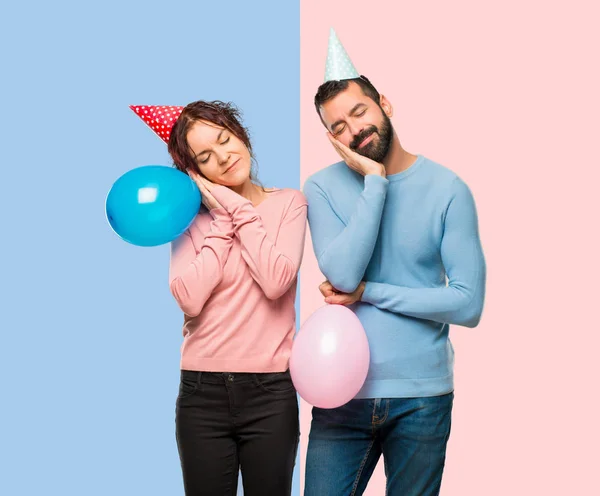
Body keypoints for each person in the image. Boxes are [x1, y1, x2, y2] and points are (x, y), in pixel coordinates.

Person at [302, 30, 486, 496]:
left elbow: (468, 305)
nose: (354, 129)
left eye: (358, 112)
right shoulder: (321, 188)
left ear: (384, 103)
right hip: (340, 394)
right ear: (330, 138)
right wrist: (376, 183)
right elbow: (342, 276)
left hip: (423, 396)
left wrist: (371, 292)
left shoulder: (448, 189)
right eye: (338, 127)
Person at [133, 100, 307, 495]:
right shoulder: (189, 221)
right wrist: (222, 221)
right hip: (202, 394)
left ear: (241, 134)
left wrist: (236, 209)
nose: (224, 158)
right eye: (206, 157)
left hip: (271, 393)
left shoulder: (289, 203)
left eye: (225, 140)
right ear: (196, 173)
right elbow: (189, 298)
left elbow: (276, 280)